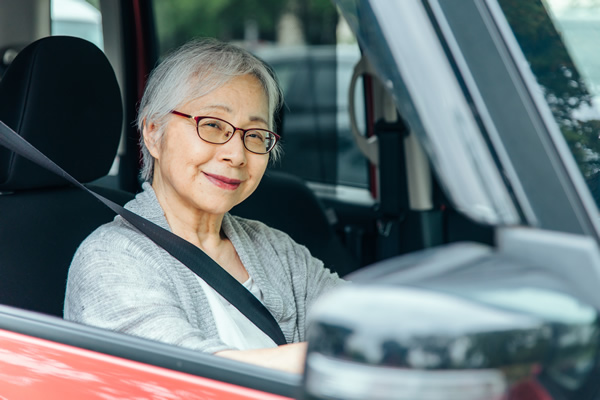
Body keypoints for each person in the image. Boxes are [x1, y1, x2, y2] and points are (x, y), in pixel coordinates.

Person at [63, 38, 344, 374]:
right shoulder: (110, 259)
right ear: (153, 133)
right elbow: (190, 378)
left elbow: (363, 318)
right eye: (212, 125)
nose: (237, 155)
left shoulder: (274, 248)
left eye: (255, 134)